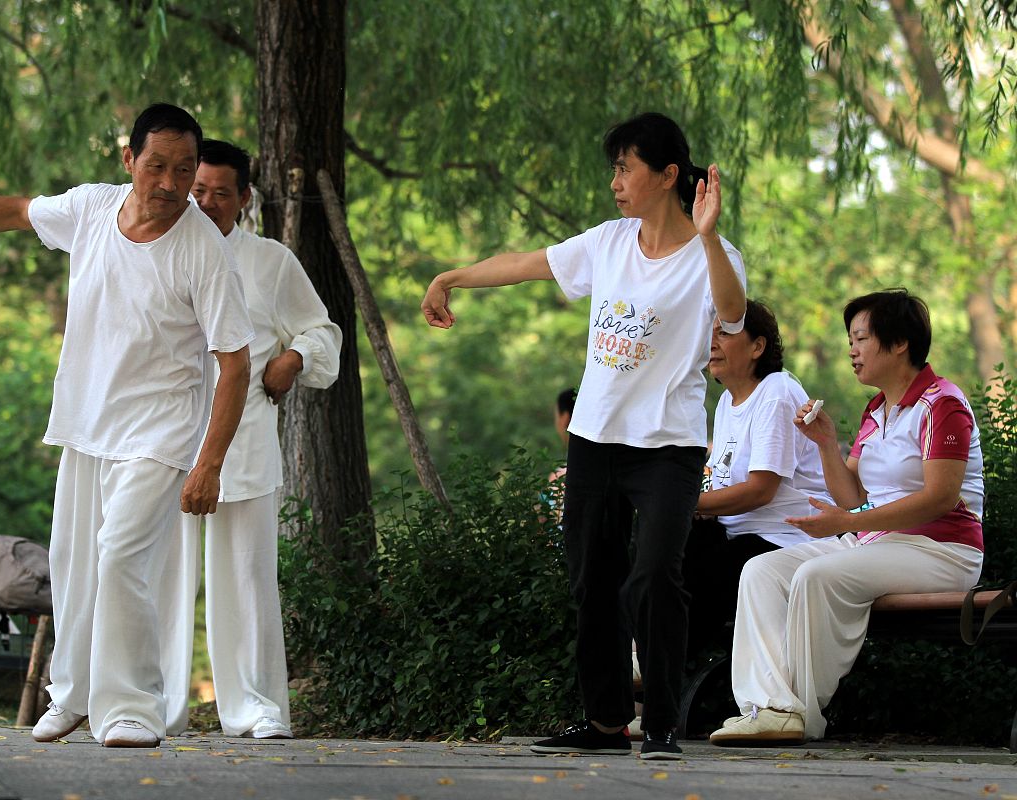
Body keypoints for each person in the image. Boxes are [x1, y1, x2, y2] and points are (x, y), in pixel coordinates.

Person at [0, 104, 254, 749]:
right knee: (75, 568)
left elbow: (235, 365)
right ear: (128, 160)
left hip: (160, 433)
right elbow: (15, 211)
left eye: (185, 170)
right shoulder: (91, 210)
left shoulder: (204, 251)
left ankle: (133, 707)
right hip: (87, 425)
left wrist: (210, 463)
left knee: (122, 561)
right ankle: (73, 694)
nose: (170, 183)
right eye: (157, 166)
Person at [421, 112, 747, 760]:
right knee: (592, 580)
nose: (616, 181)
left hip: (669, 448)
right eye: (616, 168)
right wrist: (450, 277)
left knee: (654, 576)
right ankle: (604, 725)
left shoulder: (716, 256)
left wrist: (709, 240)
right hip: (596, 442)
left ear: (668, 175)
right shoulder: (609, 242)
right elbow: (525, 263)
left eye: (626, 167)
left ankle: (659, 722)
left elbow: (733, 316)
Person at [709, 289, 984, 745]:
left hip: (941, 550)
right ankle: (766, 706)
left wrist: (850, 524)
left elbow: (939, 498)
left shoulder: (943, 404)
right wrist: (823, 441)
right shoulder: (876, 411)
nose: (851, 350)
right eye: (850, 339)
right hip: (879, 543)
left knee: (817, 575)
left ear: (899, 344)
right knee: (760, 571)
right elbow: (852, 496)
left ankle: (794, 712)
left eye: (861, 338)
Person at [156, 139, 341, 739]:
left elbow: (322, 330)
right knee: (157, 573)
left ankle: (256, 706)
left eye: (220, 193)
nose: (206, 203)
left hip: (247, 438)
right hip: (166, 438)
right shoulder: (154, 250)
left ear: (244, 199)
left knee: (248, 578)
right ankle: (149, 705)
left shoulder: (270, 261)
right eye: (197, 189)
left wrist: (294, 356)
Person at [683, 299, 827, 663]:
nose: (712, 342)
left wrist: (682, 503)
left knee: (695, 571)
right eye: (710, 334)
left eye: (725, 333)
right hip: (738, 535)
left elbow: (762, 490)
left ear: (757, 346)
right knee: (659, 554)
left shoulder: (775, 392)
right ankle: (647, 674)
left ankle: (658, 677)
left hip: (784, 539)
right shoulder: (726, 404)